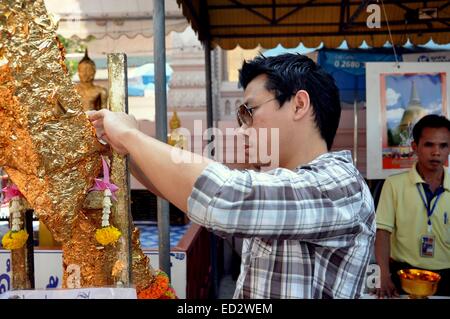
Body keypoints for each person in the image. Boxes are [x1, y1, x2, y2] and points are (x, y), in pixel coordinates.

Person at [87, 53, 375, 298]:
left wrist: (129, 135)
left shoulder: (339, 185)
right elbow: (184, 192)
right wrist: (123, 147)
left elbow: (225, 196)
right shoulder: (280, 181)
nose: (241, 129)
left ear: (299, 104)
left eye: (249, 111)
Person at [375, 114, 450, 298]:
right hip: (403, 276)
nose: (436, 152)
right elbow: (382, 232)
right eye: (429, 145)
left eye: (443, 145)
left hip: (447, 276)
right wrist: (383, 275)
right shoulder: (394, 184)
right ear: (415, 147)